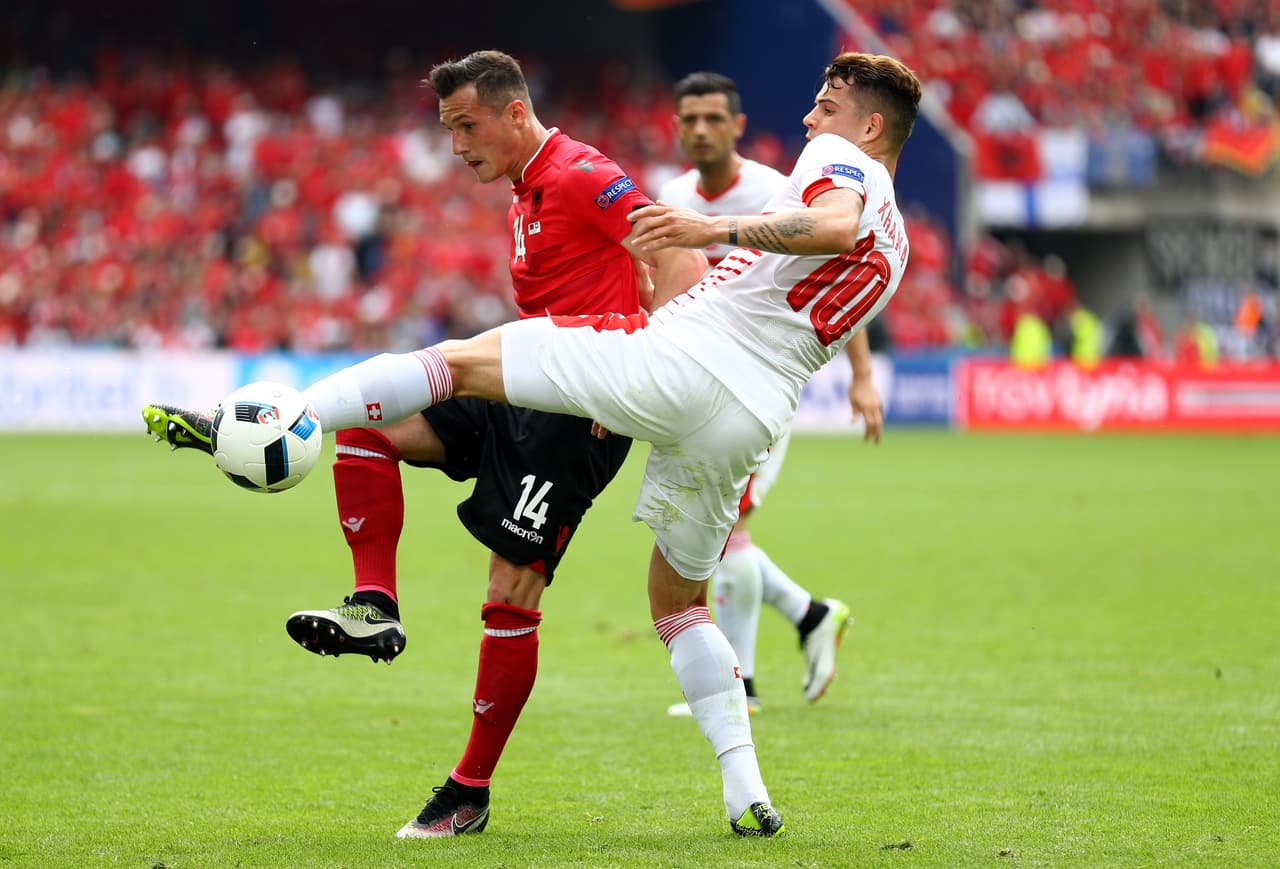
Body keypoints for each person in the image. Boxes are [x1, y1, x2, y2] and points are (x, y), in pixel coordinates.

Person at [146, 50, 922, 838]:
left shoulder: (837, 161)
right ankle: (746, 791)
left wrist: (707, 226)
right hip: (748, 414)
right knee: (677, 602)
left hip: (679, 363)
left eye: (826, 105)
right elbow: (839, 256)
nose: (810, 119)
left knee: (453, 363)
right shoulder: (901, 248)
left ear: (868, 125)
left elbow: (830, 224)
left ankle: (277, 418)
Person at [657, 71, 877, 717]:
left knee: (727, 528)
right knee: (717, 529)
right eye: (689, 118)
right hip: (698, 382)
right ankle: (811, 614)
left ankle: (741, 687)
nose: (701, 130)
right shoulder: (673, 194)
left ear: (737, 125)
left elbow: (835, 275)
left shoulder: (775, 190)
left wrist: (862, 376)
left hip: (761, 379)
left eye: (713, 119)